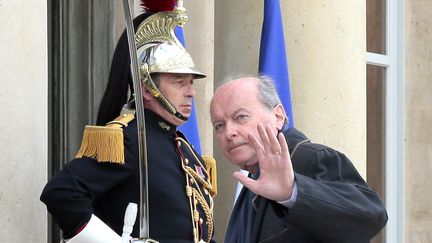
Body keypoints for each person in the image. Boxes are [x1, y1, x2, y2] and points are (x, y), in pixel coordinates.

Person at [40, 4, 216, 243]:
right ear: (146, 88)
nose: (190, 92)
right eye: (179, 82)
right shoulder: (128, 139)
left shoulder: (183, 148)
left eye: (191, 82)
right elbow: (61, 193)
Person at [210, 75, 388, 243]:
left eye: (241, 117)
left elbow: (371, 217)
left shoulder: (312, 159)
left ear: (278, 116)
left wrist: (293, 192)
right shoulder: (251, 181)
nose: (229, 133)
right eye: (219, 126)